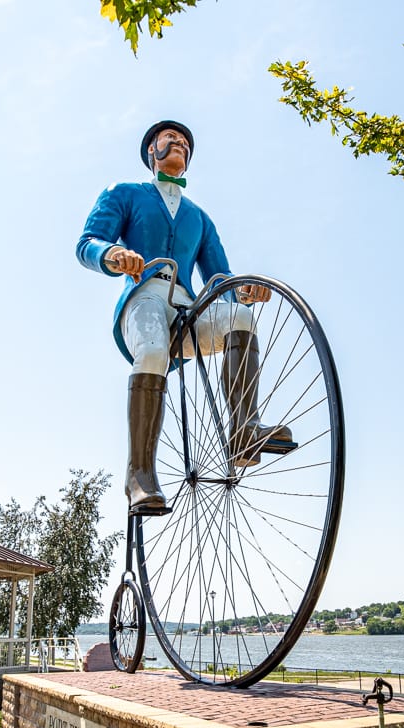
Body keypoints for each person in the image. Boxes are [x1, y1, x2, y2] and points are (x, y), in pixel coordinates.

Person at [77, 120, 292, 515]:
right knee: (154, 349)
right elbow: (87, 243)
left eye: (184, 143)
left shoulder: (199, 217)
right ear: (151, 152)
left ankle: (244, 429)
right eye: (169, 139)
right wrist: (113, 255)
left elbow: (219, 278)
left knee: (240, 319)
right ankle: (139, 474)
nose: (178, 144)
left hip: (186, 307)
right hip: (144, 298)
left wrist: (243, 292)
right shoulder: (124, 193)